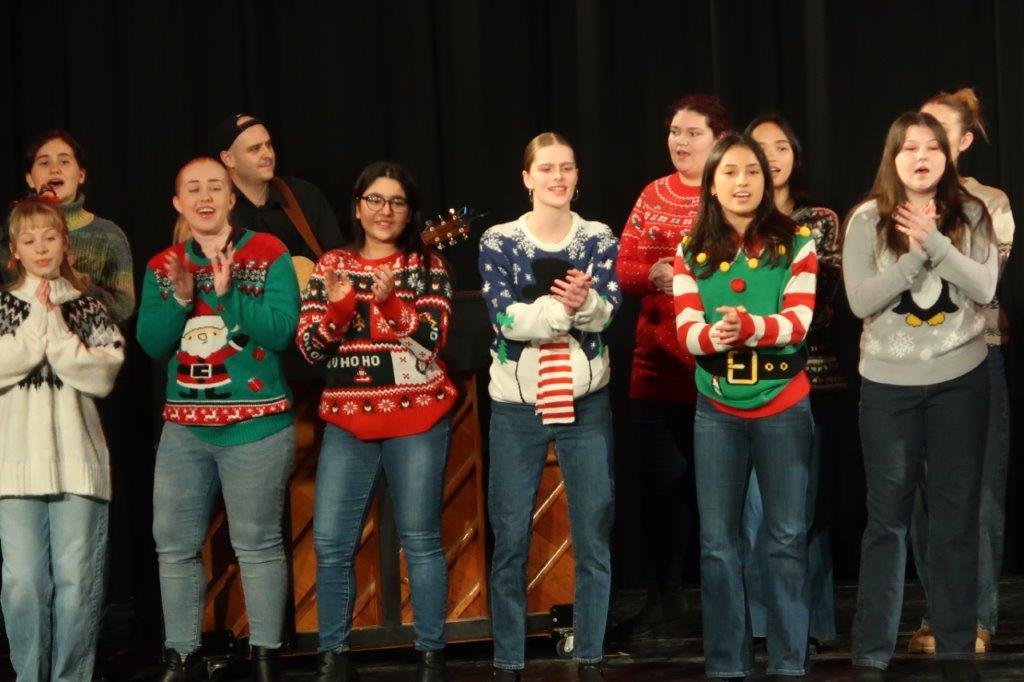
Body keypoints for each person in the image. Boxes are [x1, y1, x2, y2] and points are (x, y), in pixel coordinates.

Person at [844, 112, 996, 680]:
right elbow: (861, 301)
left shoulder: (973, 213)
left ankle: (957, 646)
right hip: (888, 386)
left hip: (961, 379)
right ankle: (872, 652)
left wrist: (935, 241)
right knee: (888, 520)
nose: (922, 157)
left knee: (955, 516)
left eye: (933, 147)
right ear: (894, 157)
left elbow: (984, 286)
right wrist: (912, 256)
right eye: (910, 148)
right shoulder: (866, 219)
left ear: (947, 156)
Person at [136, 157, 299, 681]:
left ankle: (266, 656)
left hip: (256, 426)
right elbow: (152, 342)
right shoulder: (164, 263)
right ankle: (180, 654)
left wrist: (230, 297)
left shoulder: (269, 253)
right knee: (174, 543)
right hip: (185, 429)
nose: (205, 197)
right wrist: (182, 296)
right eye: (193, 190)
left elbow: (280, 333)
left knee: (257, 543)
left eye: (216, 187)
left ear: (232, 198)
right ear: (179, 204)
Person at [295, 161, 456, 682]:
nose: (385, 211)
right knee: (332, 544)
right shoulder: (331, 264)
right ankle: (333, 656)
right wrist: (341, 309)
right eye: (375, 200)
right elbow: (310, 349)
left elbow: (431, 341)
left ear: (410, 212)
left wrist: (389, 301)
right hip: (349, 422)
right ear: (357, 206)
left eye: (397, 202)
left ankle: (431, 654)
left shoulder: (427, 265)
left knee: (421, 540)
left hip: (417, 418)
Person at [672, 132, 817, 678]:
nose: (742, 182)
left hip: (783, 403)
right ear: (711, 183)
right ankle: (728, 665)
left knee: (784, 538)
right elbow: (687, 333)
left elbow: (798, 324)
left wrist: (747, 327)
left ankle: (787, 662)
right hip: (717, 408)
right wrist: (721, 334)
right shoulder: (691, 253)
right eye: (730, 172)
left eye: (752, 171)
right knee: (717, 543)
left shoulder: (796, 244)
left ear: (767, 178)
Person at [479, 132, 620, 681]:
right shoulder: (499, 240)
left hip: (586, 404)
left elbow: (608, 314)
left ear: (577, 176)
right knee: (510, 536)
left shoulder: (597, 237)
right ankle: (508, 660)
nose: (557, 177)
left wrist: (587, 305)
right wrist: (565, 311)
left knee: (593, 531)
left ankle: (589, 657)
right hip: (518, 405)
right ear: (527, 177)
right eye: (546, 168)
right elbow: (504, 319)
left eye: (566, 168)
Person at [613, 94, 730, 638]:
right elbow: (623, 267)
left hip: (715, 365)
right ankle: (665, 597)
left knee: (712, 488)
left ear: (718, 138)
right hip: (654, 363)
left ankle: (720, 599)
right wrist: (655, 272)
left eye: (693, 133)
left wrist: (687, 276)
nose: (680, 142)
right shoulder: (653, 193)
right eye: (675, 132)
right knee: (660, 487)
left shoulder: (730, 190)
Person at [906, 88, 1015, 656]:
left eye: (941, 131)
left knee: (978, 494)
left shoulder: (987, 201)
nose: (926, 143)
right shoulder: (892, 200)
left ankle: (976, 616)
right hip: (910, 362)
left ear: (964, 142)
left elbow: (981, 279)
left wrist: (929, 241)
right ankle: (937, 613)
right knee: (925, 494)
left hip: (974, 354)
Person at [0, 196, 125, 680]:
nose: (40, 248)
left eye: (49, 237)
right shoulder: (6, 305)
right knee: (24, 584)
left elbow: (102, 376)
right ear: (14, 249)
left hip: (79, 464)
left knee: (77, 582)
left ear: (65, 243)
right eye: (29, 240)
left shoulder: (87, 305)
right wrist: (38, 329)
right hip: (15, 467)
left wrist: (57, 335)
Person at [742, 113, 844, 647]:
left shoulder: (818, 220)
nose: (772, 157)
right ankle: (765, 625)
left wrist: (760, 314)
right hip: (745, 384)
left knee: (805, 512)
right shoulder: (733, 223)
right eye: (760, 149)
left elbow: (820, 313)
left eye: (782, 146)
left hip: (813, 380)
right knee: (757, 513)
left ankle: (815, 625)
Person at [0, 129, 135, 325]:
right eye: (44, 162)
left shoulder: (109, 235)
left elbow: (124, 310)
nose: (54, 169)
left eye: (64, 161)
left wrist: (77, 281)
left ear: (81, 175)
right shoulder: (8, 233)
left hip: (89, 346)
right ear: (30, 178)